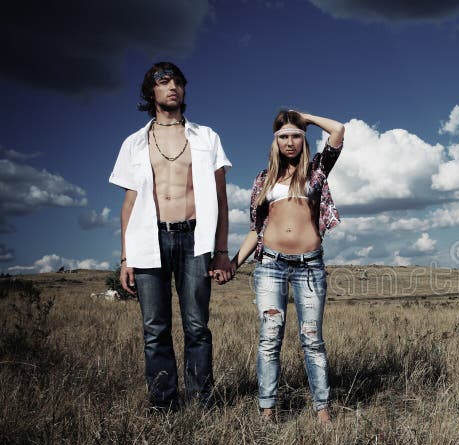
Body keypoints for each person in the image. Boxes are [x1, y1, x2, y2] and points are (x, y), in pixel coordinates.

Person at [109, 62, 233, 411]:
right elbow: (129, 203)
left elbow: (221, 199)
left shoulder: (206, 137)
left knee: (197, 325)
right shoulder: (134, 142)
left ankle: (200, 402)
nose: (172, 87)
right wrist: (125, 257)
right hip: (149, 239)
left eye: (177, 81)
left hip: (194, 238)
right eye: (164, 82)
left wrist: (221, 250)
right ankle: (163, 404)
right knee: (155, 328)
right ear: (152, 92)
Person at [230, 109, 344, 423]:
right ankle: (267, 410)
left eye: (295, 135)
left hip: (310, 267)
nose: (290, 142)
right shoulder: (264, 180)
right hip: (270, 266)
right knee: (270, 336)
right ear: (275, 142)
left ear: (303, 139)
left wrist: (303, 116)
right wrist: (233, 264)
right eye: (283, 137)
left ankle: (322, 411)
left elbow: (338, 130)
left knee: (312, 338)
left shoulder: (317, 170)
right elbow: (256, 229)